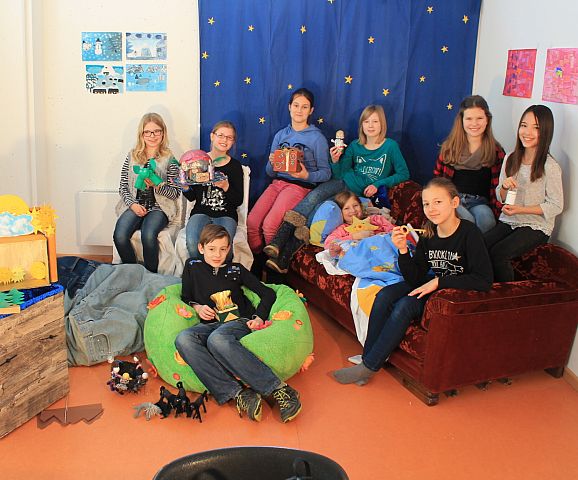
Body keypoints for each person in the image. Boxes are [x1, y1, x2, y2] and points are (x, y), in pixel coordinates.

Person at [331, 177, 493, 386]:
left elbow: (484, 280)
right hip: (431, 281)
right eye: (426, 204)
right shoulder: (429, 232)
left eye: (438, 202)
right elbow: (415, 276)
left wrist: (439, 282)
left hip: (452, 290)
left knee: (405, 305)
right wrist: (402, 250)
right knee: (384, 295)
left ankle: (369, 367)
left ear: (454, 203)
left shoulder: (470, 234)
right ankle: (367, 358)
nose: (431, 209)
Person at [174, 224, 302, 423]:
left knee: (217, 339)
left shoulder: (236, 270)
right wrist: (197, 307)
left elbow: (267, 293)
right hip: (210, 325)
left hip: (239, 322)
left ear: (229, 249)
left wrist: (258, 317)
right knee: (183, 338)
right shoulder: (192, 266)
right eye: (211, 249)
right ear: (201, 248)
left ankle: (280, 390)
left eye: (223, 249)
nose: (217, 255)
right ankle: (239, 394)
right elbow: (186, 296)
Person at [265, 104, 409, 273]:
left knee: (319, 212)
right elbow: (340, 172)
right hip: (341, 183)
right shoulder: (355, 145)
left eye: (375, 122)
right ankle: (279, 240)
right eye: (366, 122)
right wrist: (334, 160)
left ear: (382, 124)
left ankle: (285, 256)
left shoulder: (390, 146)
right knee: (313, 198)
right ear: (361, 125)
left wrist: (378, 184)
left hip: (356, 196)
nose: (370, 126)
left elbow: (403, 173)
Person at [247, 88, 330, 255]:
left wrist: (306, 175)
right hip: (277, 183)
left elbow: (326, 173)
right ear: (289, 107)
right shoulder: (280, 135)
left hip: (299, 186)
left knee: (270, 225)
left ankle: (273, 264)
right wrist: (272, 163)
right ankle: (256, 262)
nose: (299, 110)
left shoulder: (317, 138)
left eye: (304, 107)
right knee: (252, 223)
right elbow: (271, 173)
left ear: (311, 110)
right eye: (296, 105)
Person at [484, 105, 563, 282]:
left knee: (499, 254)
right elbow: (501, 197)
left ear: (546, 132)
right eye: (524, 125)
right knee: (481, 245)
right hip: (510, 220)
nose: (527, 132)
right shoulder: (511, 157)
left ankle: (508, 295)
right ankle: (484, 287)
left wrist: (521, 210)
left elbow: (556, 205)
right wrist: (504, 187)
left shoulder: (550, 166)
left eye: (536, 128)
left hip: (536, 226)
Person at [113, 112, 180, 273]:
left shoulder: (169, 159)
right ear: (141, 134)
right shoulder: (132, 156)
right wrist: (132, 205)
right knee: (120, 236)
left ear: (163, 133)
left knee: (148, 235)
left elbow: (175, 192)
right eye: (148, 132)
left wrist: (158, 185)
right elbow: (123, 186)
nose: (152, 136)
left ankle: (150, 275)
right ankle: (133, 271)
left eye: (157, 131)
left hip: (159, 208)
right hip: (135, 205)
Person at [434, 95, 505, 233]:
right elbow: (438, 181)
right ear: (461, 120)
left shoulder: (496, 151)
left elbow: (499, 187)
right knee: (467, 222)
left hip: (480, 202)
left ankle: (478, 247)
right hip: (453, 200)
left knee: (487, 221)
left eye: (479, 118)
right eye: (469, 119)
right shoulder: (449, 148)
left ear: (487, 120)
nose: (474, 123)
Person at [183, 121, 244, 262]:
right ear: (212, 136)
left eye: (229, 137)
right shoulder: (199, 161)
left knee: (224, 248)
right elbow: (192, 197)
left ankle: (221, 273)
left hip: (226, 214)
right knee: (193, 243)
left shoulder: (235, 166)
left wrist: (226, 187)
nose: (224, 140)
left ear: (233, 141)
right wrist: (185, 187)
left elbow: (238, 200)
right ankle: (200, 272)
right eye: (220, 135)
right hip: (201, 212)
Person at [323, 191, 395, 258]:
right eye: (346, 208)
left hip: (384, 250)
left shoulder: (376, 219)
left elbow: (394, 231)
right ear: (340, 213)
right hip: (362, 257)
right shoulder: (342, 229)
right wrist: (354, 236)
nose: (353, 210)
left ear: (361, 206)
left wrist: (384, 236)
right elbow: (328, 245)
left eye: (355, 205)